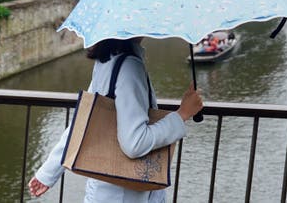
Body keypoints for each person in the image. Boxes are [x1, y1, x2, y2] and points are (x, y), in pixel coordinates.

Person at [28, 37, 203, 203]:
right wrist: (182, 114)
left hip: (103, 185)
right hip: (124, 190)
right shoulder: (129, 66)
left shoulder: (108, 60)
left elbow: (82, 123)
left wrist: (48, 173)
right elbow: (135, 144)